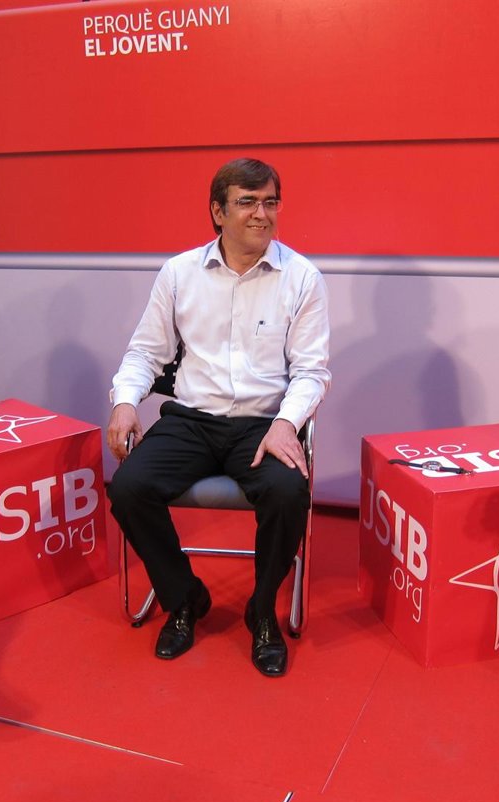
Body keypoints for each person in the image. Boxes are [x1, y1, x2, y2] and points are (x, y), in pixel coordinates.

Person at [107, 158, 330, 677]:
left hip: (263, 424)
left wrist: (286, 424)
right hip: (191, 420)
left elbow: (312, 372)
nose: (261, 213)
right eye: (247, 202)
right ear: (217, 211)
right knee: (129, 488)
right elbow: (145, 353)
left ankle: (263, 611)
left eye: (270, 202)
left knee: (286, 492)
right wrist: (124, 401)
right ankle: (184, 597)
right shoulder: (179, 273)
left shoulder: (302, 278)